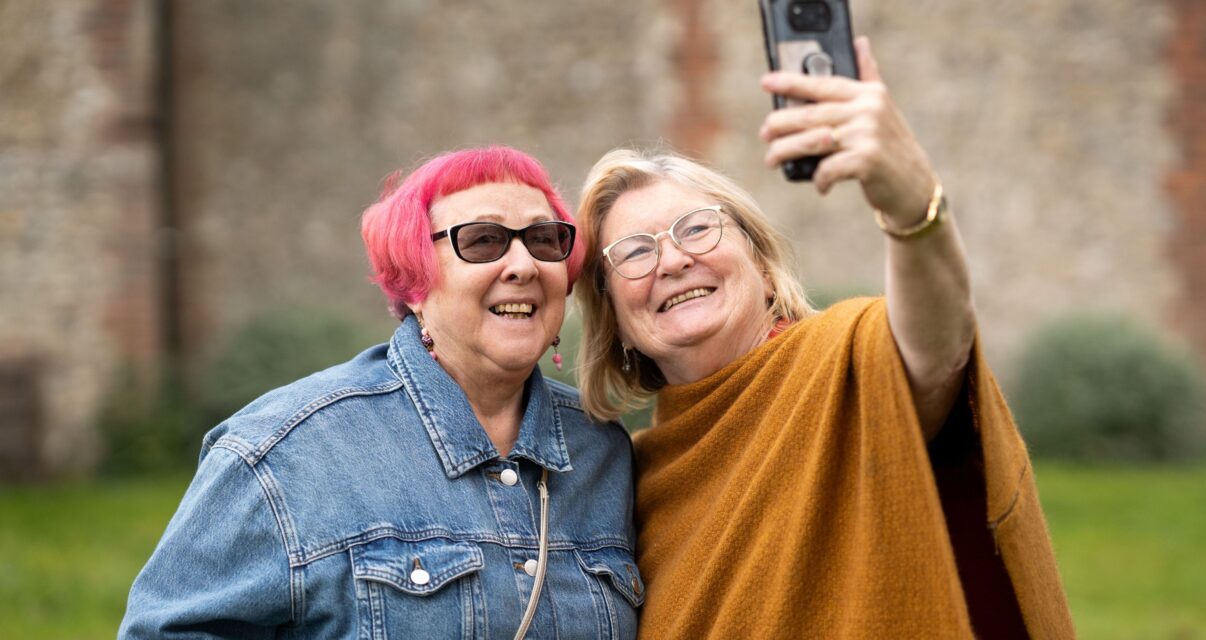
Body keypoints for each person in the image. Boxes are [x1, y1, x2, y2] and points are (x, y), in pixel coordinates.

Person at [574, 38, 1073, 638]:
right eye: (634, 252)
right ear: (616, 322)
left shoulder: (844, 358)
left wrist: (912, 207)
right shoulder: (632, 479)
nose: (673, 260)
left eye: (697, 229)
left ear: (761, 265)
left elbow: (935, 350)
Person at [120, 146, 643, 639]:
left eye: (543, 240)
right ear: (415, 283)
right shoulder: (281, 456)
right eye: (482, 240)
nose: (523, 265)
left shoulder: (603, 452)